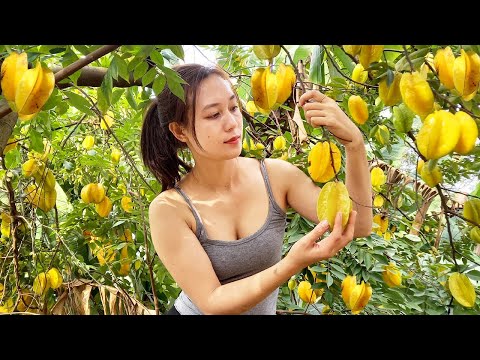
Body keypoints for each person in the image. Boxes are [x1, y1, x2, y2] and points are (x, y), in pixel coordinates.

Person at [140, 63, 373, 315]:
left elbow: (358, 225)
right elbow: (212, 302)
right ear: (179, 130)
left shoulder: (275, 177)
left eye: (233, 108)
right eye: (213, 115)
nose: (231, 123)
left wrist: (355, 145)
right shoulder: (170, 209)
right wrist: (292, 263)